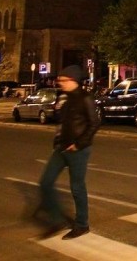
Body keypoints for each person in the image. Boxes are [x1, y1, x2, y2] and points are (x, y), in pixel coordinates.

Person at [37, 65, 100, 240]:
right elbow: (62, 123)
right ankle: (57, 220)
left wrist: (79, 144)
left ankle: (82, 225)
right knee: (45, 183)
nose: (60, 83)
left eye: (63, 80)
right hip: (61, 147)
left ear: (73, 80)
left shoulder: (85, 98)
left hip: (78, 149)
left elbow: (94, 123)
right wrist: (58, 141)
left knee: (77, 187)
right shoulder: (64, 97)